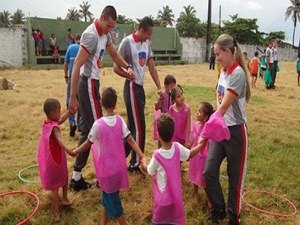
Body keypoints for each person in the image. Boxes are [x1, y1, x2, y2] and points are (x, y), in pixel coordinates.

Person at [68, 5, 134, 191]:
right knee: (99, 129)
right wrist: (72, 98)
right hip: (87, 83)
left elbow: (114, 55)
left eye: (113, 27)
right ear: (102, 18)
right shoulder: (91, 35)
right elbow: (76, 67)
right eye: (109, 26)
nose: (110, 30)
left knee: (88, 129)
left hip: (93, 83)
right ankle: (103, 175)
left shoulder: (104, 35)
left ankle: (76, 177)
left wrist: (128, 66)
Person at [73, 87, 145, 225]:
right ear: (115, 104)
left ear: (101, 103)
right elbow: (130, 140)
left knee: (114, 201)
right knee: (108, 193)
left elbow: (88, 142)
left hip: (106, 171)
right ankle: (104, 222)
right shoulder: (120, 121)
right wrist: (141, 155)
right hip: (119, 168)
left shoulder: (97, 124)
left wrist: (76, 151)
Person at [204, 34, 251, 225]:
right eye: (215, 54)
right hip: (220, 130)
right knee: (209, 171)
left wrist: (204, 131)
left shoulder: (237, 73)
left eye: (218, 54)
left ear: (228, 51)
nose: (216, 58)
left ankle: (233, 216)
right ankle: (219, 207)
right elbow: (218, 102)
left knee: (235, 178)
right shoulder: (222, 70)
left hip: (235, 133)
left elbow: (223, 107)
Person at [113, 16, 162, 173]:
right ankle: (136, 163)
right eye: (148, 34)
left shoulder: (146, 44)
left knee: (132, 127)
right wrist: (129, 75)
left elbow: (152, 67)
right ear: (141, 30)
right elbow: (115, 67)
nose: (149, 37)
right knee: (139, 127)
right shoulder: (127, 43)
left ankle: (118, 157)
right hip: (132, 87)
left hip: (139, 88)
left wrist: (159, 87)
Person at [139, 113, 206, 225]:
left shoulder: (157, 155)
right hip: (176, 198)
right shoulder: (177, 147)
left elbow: (149, 171)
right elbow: (190, 154)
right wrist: (201, 145)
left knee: (159, 221)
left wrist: (143, 164)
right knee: (174, 220)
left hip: (162, 200)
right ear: (173, 132)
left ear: (158, 135)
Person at [37, 98, 75, 222]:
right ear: (53, 113)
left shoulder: (47, 123)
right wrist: (69, 150)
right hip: (56, 158)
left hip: (49, 158)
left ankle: (64, 199)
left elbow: (60, 120)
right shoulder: (54, 127)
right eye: (59, 111)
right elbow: (59, 140)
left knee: (63, 177)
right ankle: (57, 212)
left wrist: (69, 112)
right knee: (58, 184)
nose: (60, 114)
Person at [188, 101, 213, 204]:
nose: (197, 113)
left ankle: (209, 198)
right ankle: (195, 193)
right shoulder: (195, 124)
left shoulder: (208, 128)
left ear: (206, 117)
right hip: (195, 155)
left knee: (203, 177)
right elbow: (192, 137)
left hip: (203, 157)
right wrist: (189, 145)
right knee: (194, 173)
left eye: (200, 112)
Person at [64, 33, 81, 137]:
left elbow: (65, 63)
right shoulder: (84, 48)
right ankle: (80, 124)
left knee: (70, 101)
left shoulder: (70, 47)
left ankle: (72, 122)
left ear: (75, 39)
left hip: (72, 78)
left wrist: (66, 76)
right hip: (83, 78)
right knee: (81, 102)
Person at [153, 75, 176, 145]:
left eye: (174, 87)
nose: (173, 89)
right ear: (166, 86)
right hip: (163, 122)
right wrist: (160, 99)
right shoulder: (162, 95)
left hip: (171, 122)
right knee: (162, 140)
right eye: (171, 87)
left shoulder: (174, 96)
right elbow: (156, 108)